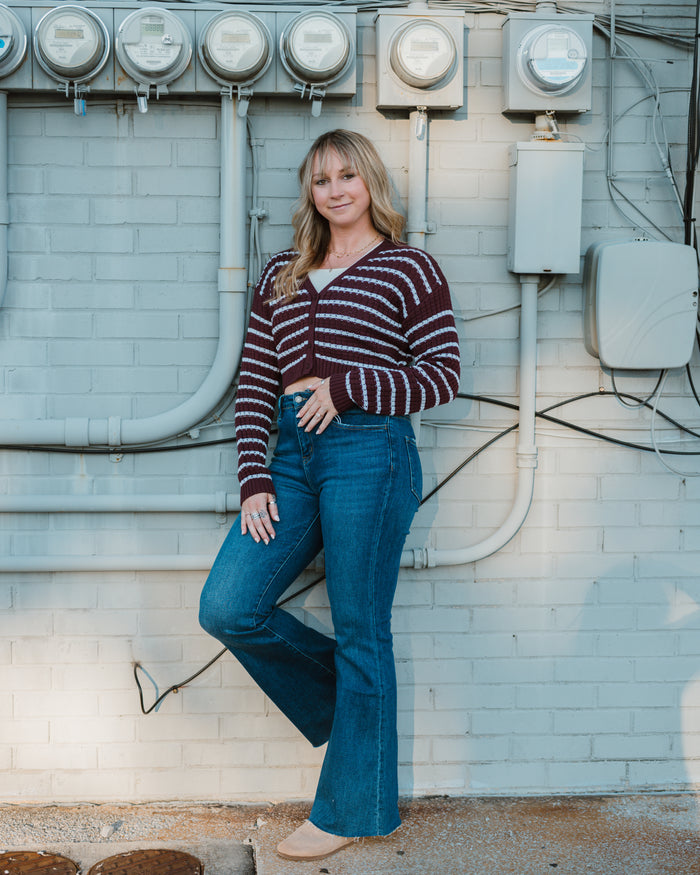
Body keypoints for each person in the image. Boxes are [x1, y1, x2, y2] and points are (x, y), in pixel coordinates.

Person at [199, 129, 460, 862]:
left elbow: (440, 374)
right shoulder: (282, 270)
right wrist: (254, 476)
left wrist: (346, 388)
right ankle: (356, 718)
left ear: (371, 182)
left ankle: (351, 809)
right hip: (292, 460)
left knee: (361, 631)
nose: (336, 190)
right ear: (309, 192)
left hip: (371, 452)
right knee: (228, 605)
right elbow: (254, 381)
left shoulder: (410, 268)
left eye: (348, 175)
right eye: (321, 180)